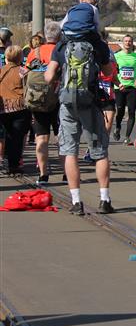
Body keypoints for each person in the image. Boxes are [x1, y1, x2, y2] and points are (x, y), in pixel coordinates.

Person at [44, 26, 115, 215]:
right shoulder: (97, 44)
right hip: (90, 102)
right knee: (100, 152)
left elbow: (48, 76)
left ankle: (76, 202)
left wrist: (61, 78)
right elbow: (108, 72)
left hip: (67, 104)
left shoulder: (61, 45)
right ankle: (104, 200)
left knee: (70, 151)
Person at [25, 21, 62, 184]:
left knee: (41, 138)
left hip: (38, 99)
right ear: (59, 36)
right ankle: (66, 173)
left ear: (46, 36)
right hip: (58, 99)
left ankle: (43, 174)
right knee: (62, 138)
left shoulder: (35, 52)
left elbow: (25, 73)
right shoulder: (61, 50)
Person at [0, 46, 32, 174]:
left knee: (7, 135)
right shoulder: (23, 71)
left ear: (7, 57)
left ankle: (7, 159)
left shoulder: (1, 70)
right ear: (20, 57)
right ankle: (14, 164)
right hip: (20, 108)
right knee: (17, 137)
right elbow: (28, 89)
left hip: (3, 108)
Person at [113, 35, 136, 144]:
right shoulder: (116, 56)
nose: (128, 43)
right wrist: (117, 82)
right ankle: (117, 127)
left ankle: (127, 137)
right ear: (122, 43)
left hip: (132, 88)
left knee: (131, 112)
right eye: (126, 41)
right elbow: (113, 70)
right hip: (120, 87)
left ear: (132, 43)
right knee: (120, 111)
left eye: (130, 41)